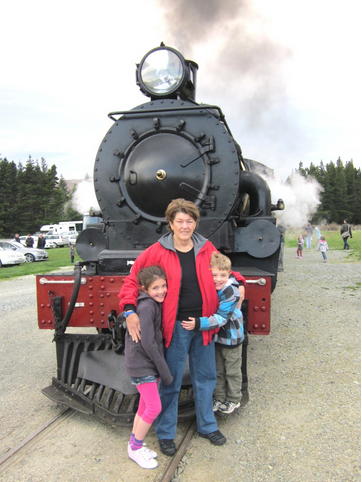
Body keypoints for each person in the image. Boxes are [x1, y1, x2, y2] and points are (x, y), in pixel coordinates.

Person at [118, 198, 245, 456]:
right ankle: (166, 433)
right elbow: (132, 281)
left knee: (206, 378)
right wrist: (129, 310)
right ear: (170, 223)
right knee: (170, 381)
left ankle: (207, 426)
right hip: (176, 326)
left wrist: (239, 281)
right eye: (180, 221)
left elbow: (225, 269)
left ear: (195, 223)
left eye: (189, 221)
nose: (185, 226)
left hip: (204, 325)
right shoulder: (156, 251)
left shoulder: (206, 247)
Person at [181, 252, 244, 415]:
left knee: (232, 370)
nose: (218, 279)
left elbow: (222, 318)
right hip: (216, 337)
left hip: (231, 338)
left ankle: (234, 399)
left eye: (223, 275)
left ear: (229, 274)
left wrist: (198, 323)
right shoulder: (211, 287)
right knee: (218, 370)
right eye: (214, 274)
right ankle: (219, 397)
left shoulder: (231, 292)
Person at [125, 266, 173, 470]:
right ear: (144, 288)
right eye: (156, 287)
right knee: (154, 407)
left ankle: (134, 444)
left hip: (144, 363)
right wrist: (164, 370)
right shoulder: (146, 307)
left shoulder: (151, 303)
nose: (161, 290)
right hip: (142, 364)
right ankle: (135, 449)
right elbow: (148, 342)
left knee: (144, 406)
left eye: (164, 286)